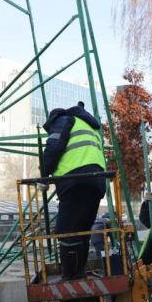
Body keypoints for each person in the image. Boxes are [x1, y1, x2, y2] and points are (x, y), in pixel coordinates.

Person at [42, 102, 106, 280]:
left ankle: (70, 275)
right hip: (97, 181)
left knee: (65, 231)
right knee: (82, 230)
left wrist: (43, 174)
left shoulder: (63, 120)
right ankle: (78, 273)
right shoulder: (87, 124)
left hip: (75, 181)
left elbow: (53, 148)